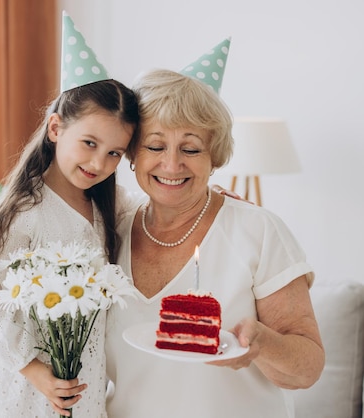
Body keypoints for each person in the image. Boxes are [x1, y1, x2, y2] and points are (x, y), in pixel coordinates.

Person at [104, 68, 324, 417]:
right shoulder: (108, 231)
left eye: (190, 148)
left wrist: (262, 344)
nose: (172, 164)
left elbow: (307, 369)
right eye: (155, 145)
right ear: (131, 152)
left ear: (214, 156)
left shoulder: (258, 230)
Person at [0, 12, 140, 418]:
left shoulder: (110, 205)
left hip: (80, 383)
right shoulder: (25, 211)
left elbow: (152, 215)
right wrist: (36, 371)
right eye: (89, 143)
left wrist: (214, 196)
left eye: (114, 153)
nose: (99, 162)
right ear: (56, 128)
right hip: (21, 386)